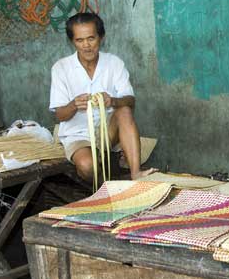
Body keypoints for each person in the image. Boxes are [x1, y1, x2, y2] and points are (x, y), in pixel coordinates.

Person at [49, 12, 156, 182]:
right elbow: (60, 115)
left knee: (124, 111)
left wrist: (113, 101)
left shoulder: (114, 63)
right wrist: (74, 105)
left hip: (108, 131)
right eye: (79, 40)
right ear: (72, 42)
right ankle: (106, 193)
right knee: (87, 166)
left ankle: (136, 174)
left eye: (91, 38)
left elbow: (130, 100)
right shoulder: (61, 68)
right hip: (77, 135)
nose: (86, 46)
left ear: (101, 37)